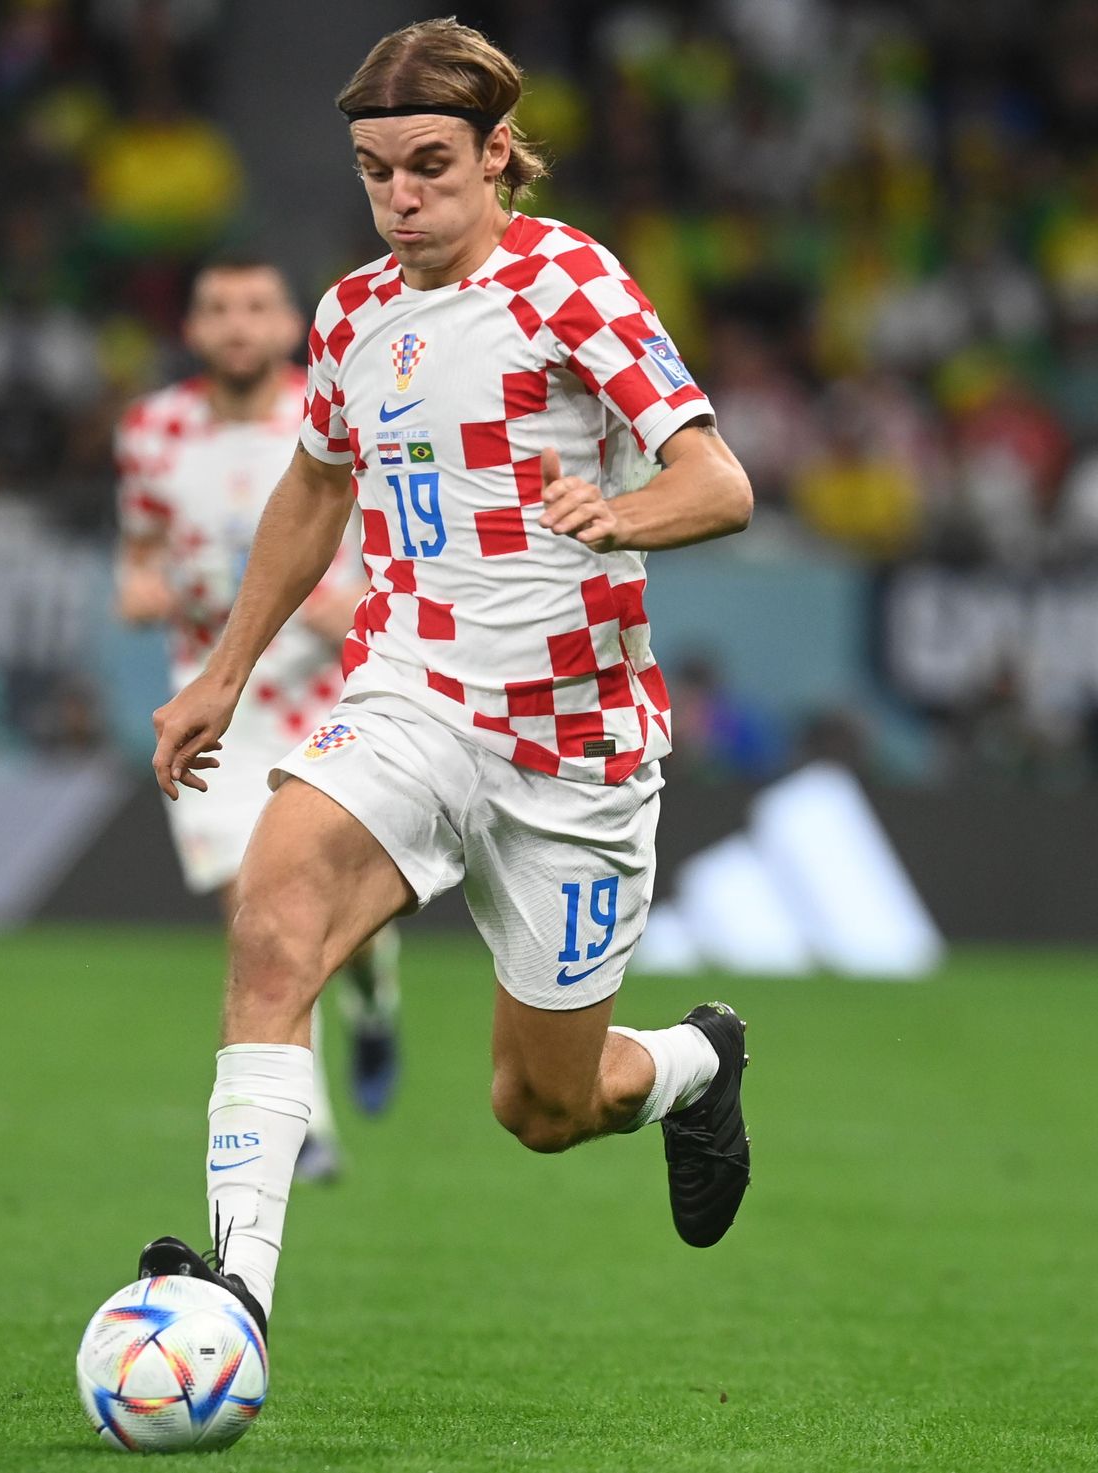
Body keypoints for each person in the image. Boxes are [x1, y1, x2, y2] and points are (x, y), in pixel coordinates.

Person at [137, 19, 754, 1342]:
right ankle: (236, 1290)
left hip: (574, 743)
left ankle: (697, 1066)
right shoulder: (352, 315)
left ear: (495, 155)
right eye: (378, 173)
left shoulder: (566, 283)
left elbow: (718, 481)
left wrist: (622, 516)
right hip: (410, 696)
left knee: (544, 1107)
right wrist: (225, 672)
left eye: (430, 165)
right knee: (272, 914)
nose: (403, 196)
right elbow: (314, 486)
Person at [115, 253, 401, 1181]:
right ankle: (306, 1127)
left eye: (256, 307)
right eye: (217, 309)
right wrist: (157, 589)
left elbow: (399, 554)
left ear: (291, 326)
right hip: (216, 704)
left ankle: (376, 997)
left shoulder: (337, 413)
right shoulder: (154, 430)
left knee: (342, 924)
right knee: (259, 911)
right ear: (193, 330)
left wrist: (341, 605)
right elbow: (137, 566)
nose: (237, 324)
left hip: (334, 697)